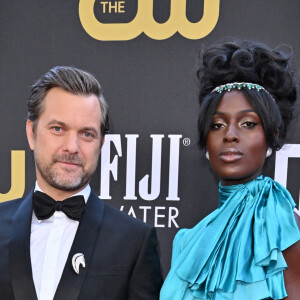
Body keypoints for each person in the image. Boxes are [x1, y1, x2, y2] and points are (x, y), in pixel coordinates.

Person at [0, 66, 162, 300]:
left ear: (101, 143)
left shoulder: (135, 241)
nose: (72, 147)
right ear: (31, 133)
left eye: (87, 134)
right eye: (58, 129)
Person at [160, 40, 300, 299]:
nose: (230, 135)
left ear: (272, 136)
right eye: (217, 125)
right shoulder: (187, 242)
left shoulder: (282, 224)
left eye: (248, 123)